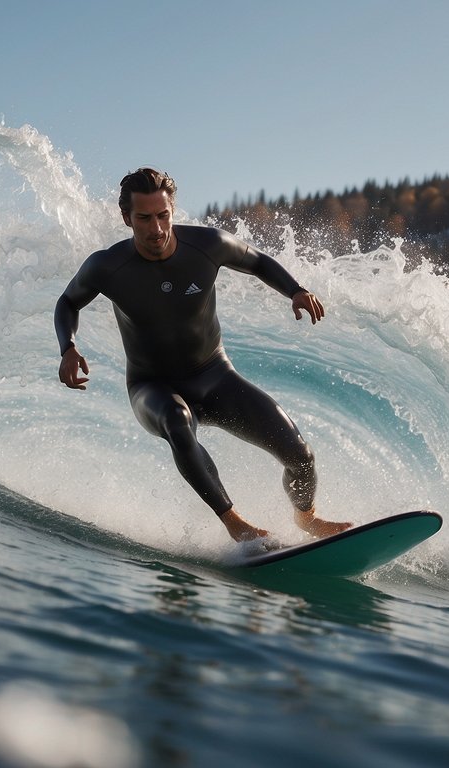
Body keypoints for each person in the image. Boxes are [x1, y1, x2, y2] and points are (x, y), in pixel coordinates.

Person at [54, 168, 351, 545]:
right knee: (178, 421)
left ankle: (307, 518)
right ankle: (236, 525)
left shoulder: (206, 246)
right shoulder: (107, 267)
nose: (156, 229)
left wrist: (295, 289)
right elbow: (68, 302)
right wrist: (68, 347)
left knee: (301, 456)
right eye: (144, 218)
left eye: (163, 216)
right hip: (152, 387)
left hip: (214, 376)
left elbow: (257, 261)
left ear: (173, 210)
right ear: (126, 218)